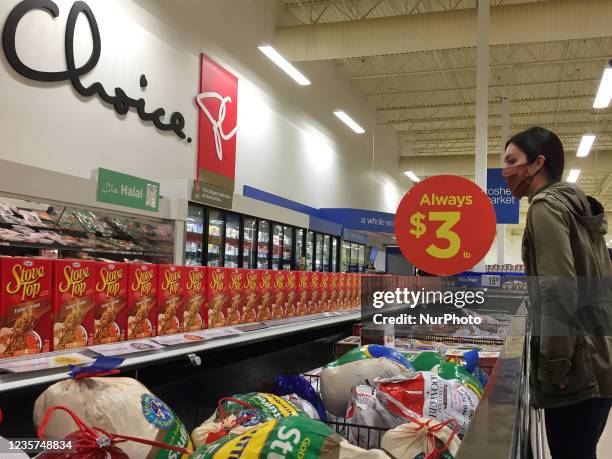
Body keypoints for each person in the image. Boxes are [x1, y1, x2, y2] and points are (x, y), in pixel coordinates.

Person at [502, 126, 612, 459]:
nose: (505, 171)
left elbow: (557, 291)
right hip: (602, 360)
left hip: (577, 370)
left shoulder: (545, 207)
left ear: (537, 163)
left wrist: (555, 367)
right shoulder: (579, 211)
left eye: (511, 160)